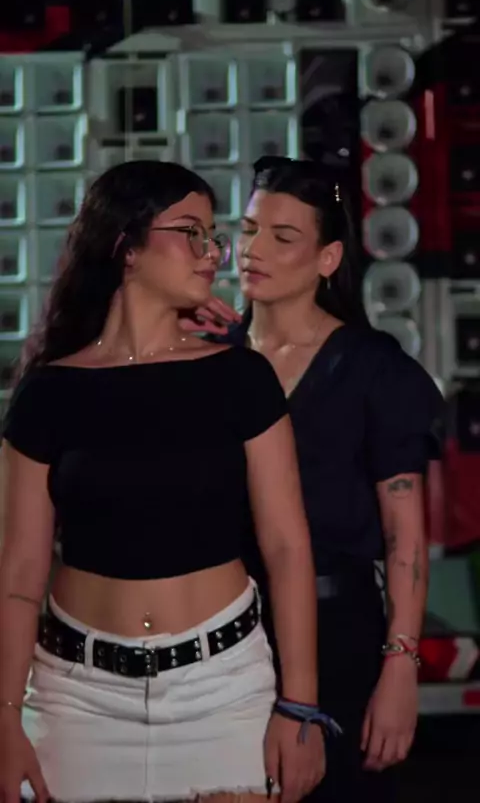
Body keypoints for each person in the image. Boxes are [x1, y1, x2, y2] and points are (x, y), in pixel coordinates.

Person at [0, 160, 329, 803]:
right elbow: (18, 575)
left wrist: (301, 707)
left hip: (223, 689)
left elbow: (288, 549)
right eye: (190, 232)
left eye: (214, 236)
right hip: (76, 696)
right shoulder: (49, 391)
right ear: (126, 246)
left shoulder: (241, 377)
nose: (212, 253)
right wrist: (6, 714)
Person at [180, 156, 445, 803]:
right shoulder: (208, 357)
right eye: (248, 230)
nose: (254, 250)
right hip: (217, 630)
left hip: (338, 632)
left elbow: (404, 535)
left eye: (283, 236)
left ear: (328, 259)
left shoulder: (371, 368)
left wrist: (401, 665)